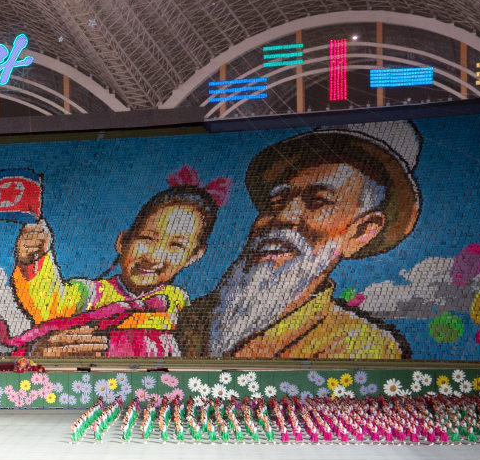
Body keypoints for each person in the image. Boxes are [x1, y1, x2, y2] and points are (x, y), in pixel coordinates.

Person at [179, 121, 421, 359]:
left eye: (318, 201)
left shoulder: (361, 346)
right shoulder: (188, 319)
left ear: (361, 232)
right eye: (277, 202)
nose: (284, 217)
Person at [11, 168, 226, 357]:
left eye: (176, 246)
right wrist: (34, 258)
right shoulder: (94, 294)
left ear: (194, 255)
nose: (153, 257)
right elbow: (51, 303)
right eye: (147, 239)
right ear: (123, 242)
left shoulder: (181, 305)